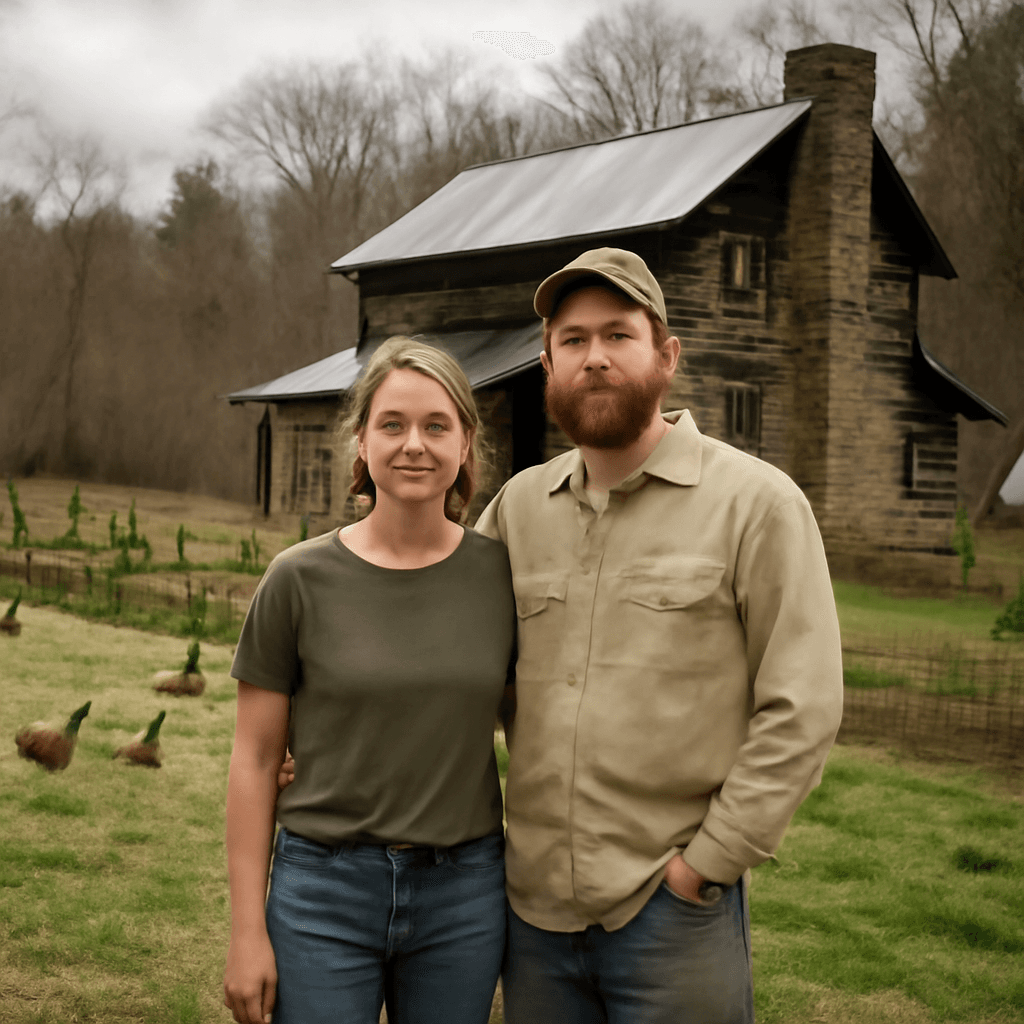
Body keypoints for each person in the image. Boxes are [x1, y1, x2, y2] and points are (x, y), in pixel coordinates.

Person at [472, 248, 845, 1024]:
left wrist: (705, 867)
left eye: (618, 335)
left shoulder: (758, 506)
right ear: (547, 364)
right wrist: (329, 744)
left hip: (672, 911)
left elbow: (802, 707)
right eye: (572, 341)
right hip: (532, 916)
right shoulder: (516, 511)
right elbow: (447, 671)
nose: (595, 358)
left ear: (665, 356)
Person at [223, 336, 515, 1024]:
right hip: (322, 890)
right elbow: (256, 758)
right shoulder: (297, 578)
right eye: (392, 424)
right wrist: (245, 934)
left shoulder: (503, 579)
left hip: (463, 894)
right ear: (361, 442)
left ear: (467, 444)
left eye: (436, 425)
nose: (414, 444)